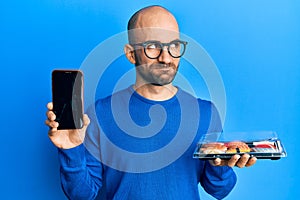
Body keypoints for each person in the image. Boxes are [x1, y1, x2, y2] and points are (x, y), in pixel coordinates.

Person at [45, 5, 257, 200]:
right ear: (131, 54)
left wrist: (219, 163)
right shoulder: (100, 115)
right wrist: (71, 148)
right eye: (153, 46)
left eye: (174, 45)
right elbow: (83, 195)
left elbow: (220, 189)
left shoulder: (206, 113)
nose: (166, 58)